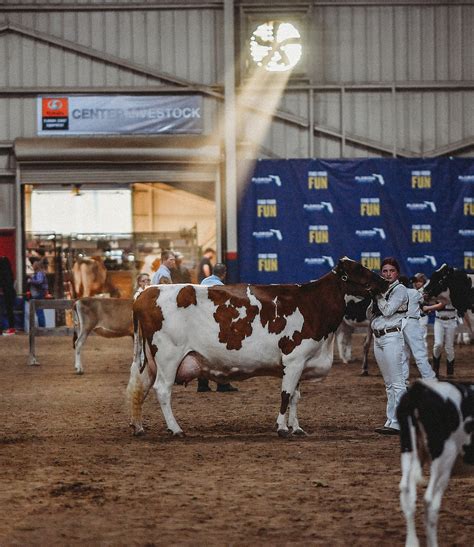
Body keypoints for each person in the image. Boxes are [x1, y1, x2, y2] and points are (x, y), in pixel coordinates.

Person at [369, 257, 408, 435]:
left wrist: (377, 296)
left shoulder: (400, 289)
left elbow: (387, 311)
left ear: (397, 273)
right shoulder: (383, 290)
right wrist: (374, 298)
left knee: (398, 382)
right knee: (389, 383)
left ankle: (400, 422)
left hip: (392, 336)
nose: (388, 274)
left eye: (391, 270)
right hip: (378, 337)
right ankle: (391, 420)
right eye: (384, 271)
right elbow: (369, 314)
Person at [197, 263, 238, 393]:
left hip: (200, 323)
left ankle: (202, 384)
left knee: (202, 353)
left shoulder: (203, 282)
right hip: (214, 324)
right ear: (224, 274)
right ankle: (223, 384)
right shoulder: (221, 287)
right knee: (220, 354)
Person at [399, 276, 436, 382]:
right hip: (411, 323)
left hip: (399, 323)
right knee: (419, 352)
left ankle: (404, 380)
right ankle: (429, 378)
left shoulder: (394, 294)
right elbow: (424, 301)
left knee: (403, 354)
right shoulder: (414, 292)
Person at [422, 293, 458, 378]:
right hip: (439, 321)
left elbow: (443, 304)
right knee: (438, 344)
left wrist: (428, 308)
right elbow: (430, 299)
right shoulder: (437, 291)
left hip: (451, 321)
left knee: (449, 347)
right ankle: (436, 368)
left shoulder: (455, 291)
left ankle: (450, 372)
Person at [28, 257, 49, 328]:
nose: (32, 266)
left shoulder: (39, 273)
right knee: (39, 311)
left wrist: (31, 280)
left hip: (38, 294)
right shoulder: (39, 273)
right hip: (38, 294)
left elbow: (39, 281)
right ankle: (41, 326)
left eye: (33, 265)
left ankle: (42, 327)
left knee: (39, 311)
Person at [411, 273, 429, 351]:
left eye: (420, 281)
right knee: (413, 338)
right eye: (416, 281)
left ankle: (424, 356)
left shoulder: (426, 293)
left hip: (422, 317)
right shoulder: (411, 291)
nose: (418, 283)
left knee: (422, 337)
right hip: (413, 318)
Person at [0, 256, 16, 336]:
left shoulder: (3, 272)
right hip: (11, 292)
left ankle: (6, 328)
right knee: (10, 311)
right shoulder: (9, 272)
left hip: (5, 293)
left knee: (3, 311)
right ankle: (11, 328)